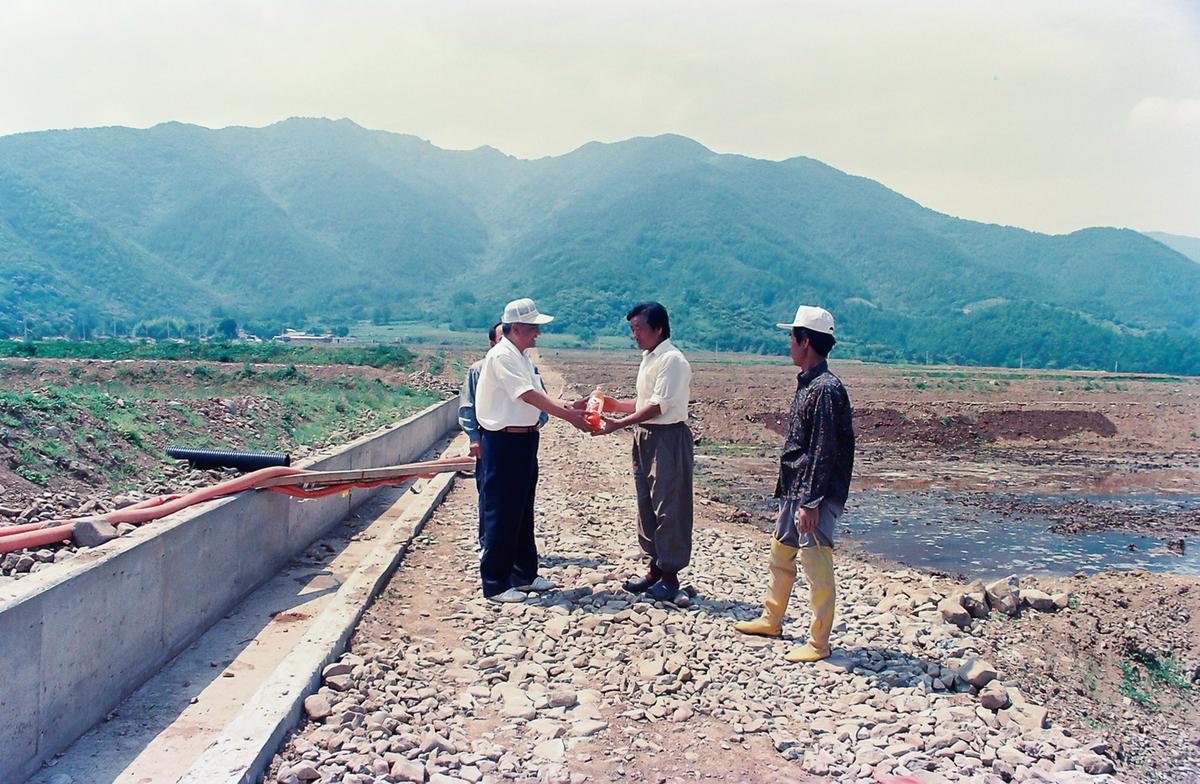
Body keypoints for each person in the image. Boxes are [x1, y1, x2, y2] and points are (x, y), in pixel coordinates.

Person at [735, 305, 855, 663]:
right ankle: (772, 619)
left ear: (805, 341)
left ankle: (819, 643)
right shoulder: (810, 384)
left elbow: (823, 449)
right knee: (781, 552)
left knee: (815, 561)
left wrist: (811, 502)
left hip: (811, 491)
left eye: (791, 337)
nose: (788, 343)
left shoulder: (825, 390)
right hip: (797, 486)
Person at [475, 297, 591, 602]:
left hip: (524, 439)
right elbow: (527, 395)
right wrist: (569, 417)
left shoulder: (521, 357)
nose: (537, 334)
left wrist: (569, 407)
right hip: (504, 440)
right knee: (502, 509)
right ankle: (496, 583)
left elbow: (539, 393)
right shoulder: (502, 356)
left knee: (522, 507)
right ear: (514, 328)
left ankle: (524, 573)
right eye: (532, 329)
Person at [588, 302, 693, 603]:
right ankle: (655, 569)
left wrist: (618, 423)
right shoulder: (650, 358)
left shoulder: (672, 360)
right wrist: (609, 404)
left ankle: (671, 576)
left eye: (639, 329)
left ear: (658, 329)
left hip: (668, 438)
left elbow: (657, 406)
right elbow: (642, 402)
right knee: (647, 503)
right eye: (632, 329)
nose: (635, 335)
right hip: (645, 436)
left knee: (669, 507)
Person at [459, 322, 547, 460]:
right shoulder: (478, 370)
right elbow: (468, 405)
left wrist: (534, 424)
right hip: (495, 437)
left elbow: (542, 399)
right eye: (502, 340)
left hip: (525, 438)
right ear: (493, 343)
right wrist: (474, 437)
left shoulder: (527, 366)